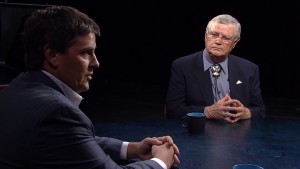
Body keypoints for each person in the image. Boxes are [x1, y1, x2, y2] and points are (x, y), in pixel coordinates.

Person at [0, 6, 180, 169]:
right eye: (86, 52)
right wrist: (160, 162)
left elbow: (74, 142)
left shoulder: (17, 87)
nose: (96, 63)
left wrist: (132, 148)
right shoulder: (55, 112)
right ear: (52, 55)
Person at [166, 14, 265, 123]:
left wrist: (246, 113)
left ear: (235, 42)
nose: (218, 41)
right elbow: (173, 111)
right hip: (198, 134)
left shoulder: (249, 69)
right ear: (205, 35)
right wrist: (207, 111)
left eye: (226, 38)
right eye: (214, 35)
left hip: (236, 135)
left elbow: (260, 111)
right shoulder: (182, 66)